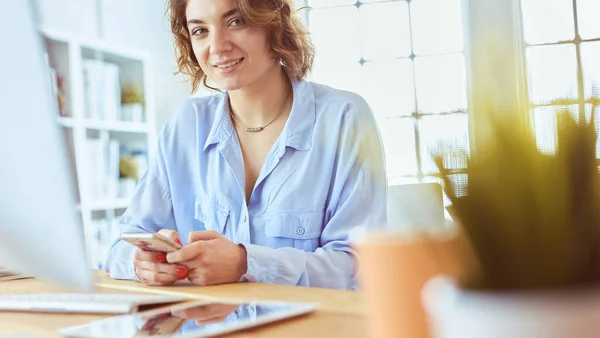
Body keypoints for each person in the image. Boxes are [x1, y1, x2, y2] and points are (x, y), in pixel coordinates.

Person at [104, 0, 387, 290]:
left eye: (235, 22)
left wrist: (246, 262)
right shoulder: (185, 125)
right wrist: (142, 264)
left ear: (274, 23)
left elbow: (359, 266)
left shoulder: (344, 118)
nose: (217, 46)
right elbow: (120, 246)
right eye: (200, 30)